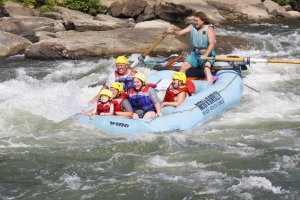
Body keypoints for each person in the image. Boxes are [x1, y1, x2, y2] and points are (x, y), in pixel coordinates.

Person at [167, 12, 216, 84]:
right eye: (194, 20)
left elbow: (212, 44)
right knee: (183, 66)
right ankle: (178, 85)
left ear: (202, 21)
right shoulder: (192, 26)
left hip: (207, 54)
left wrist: (205, 55)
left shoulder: (209, 28)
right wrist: (173, 31)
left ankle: (209, 87)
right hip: (195, 54)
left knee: (206, 68)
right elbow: (180, 32)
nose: (195, 22)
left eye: (197, 21)